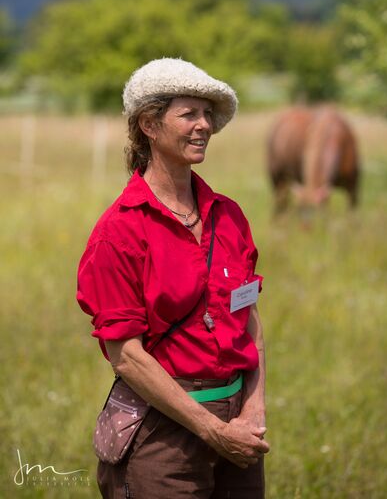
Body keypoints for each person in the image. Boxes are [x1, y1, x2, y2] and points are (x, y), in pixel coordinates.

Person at [77, 58, 270, 499]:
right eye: (189, 114)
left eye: (208, 114)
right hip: (162, 437)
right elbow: (126, 356)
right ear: (149, 124)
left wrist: (253, 412)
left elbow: (250, 321)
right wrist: (212, 430)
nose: (204, 125)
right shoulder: (119, 231)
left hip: (240, 430)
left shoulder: (229, 216)